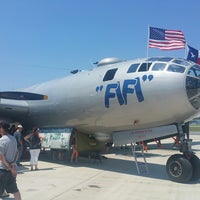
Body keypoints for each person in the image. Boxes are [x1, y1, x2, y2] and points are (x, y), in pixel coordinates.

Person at [0, 120, 22, 200]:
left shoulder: (2, 141)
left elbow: (1, 157)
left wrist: (10, 168)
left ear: (2, 128)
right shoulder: (13, 138)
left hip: (2, 170)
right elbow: (16, 153)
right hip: (11, 169)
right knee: (14, 189)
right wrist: (13, 164)